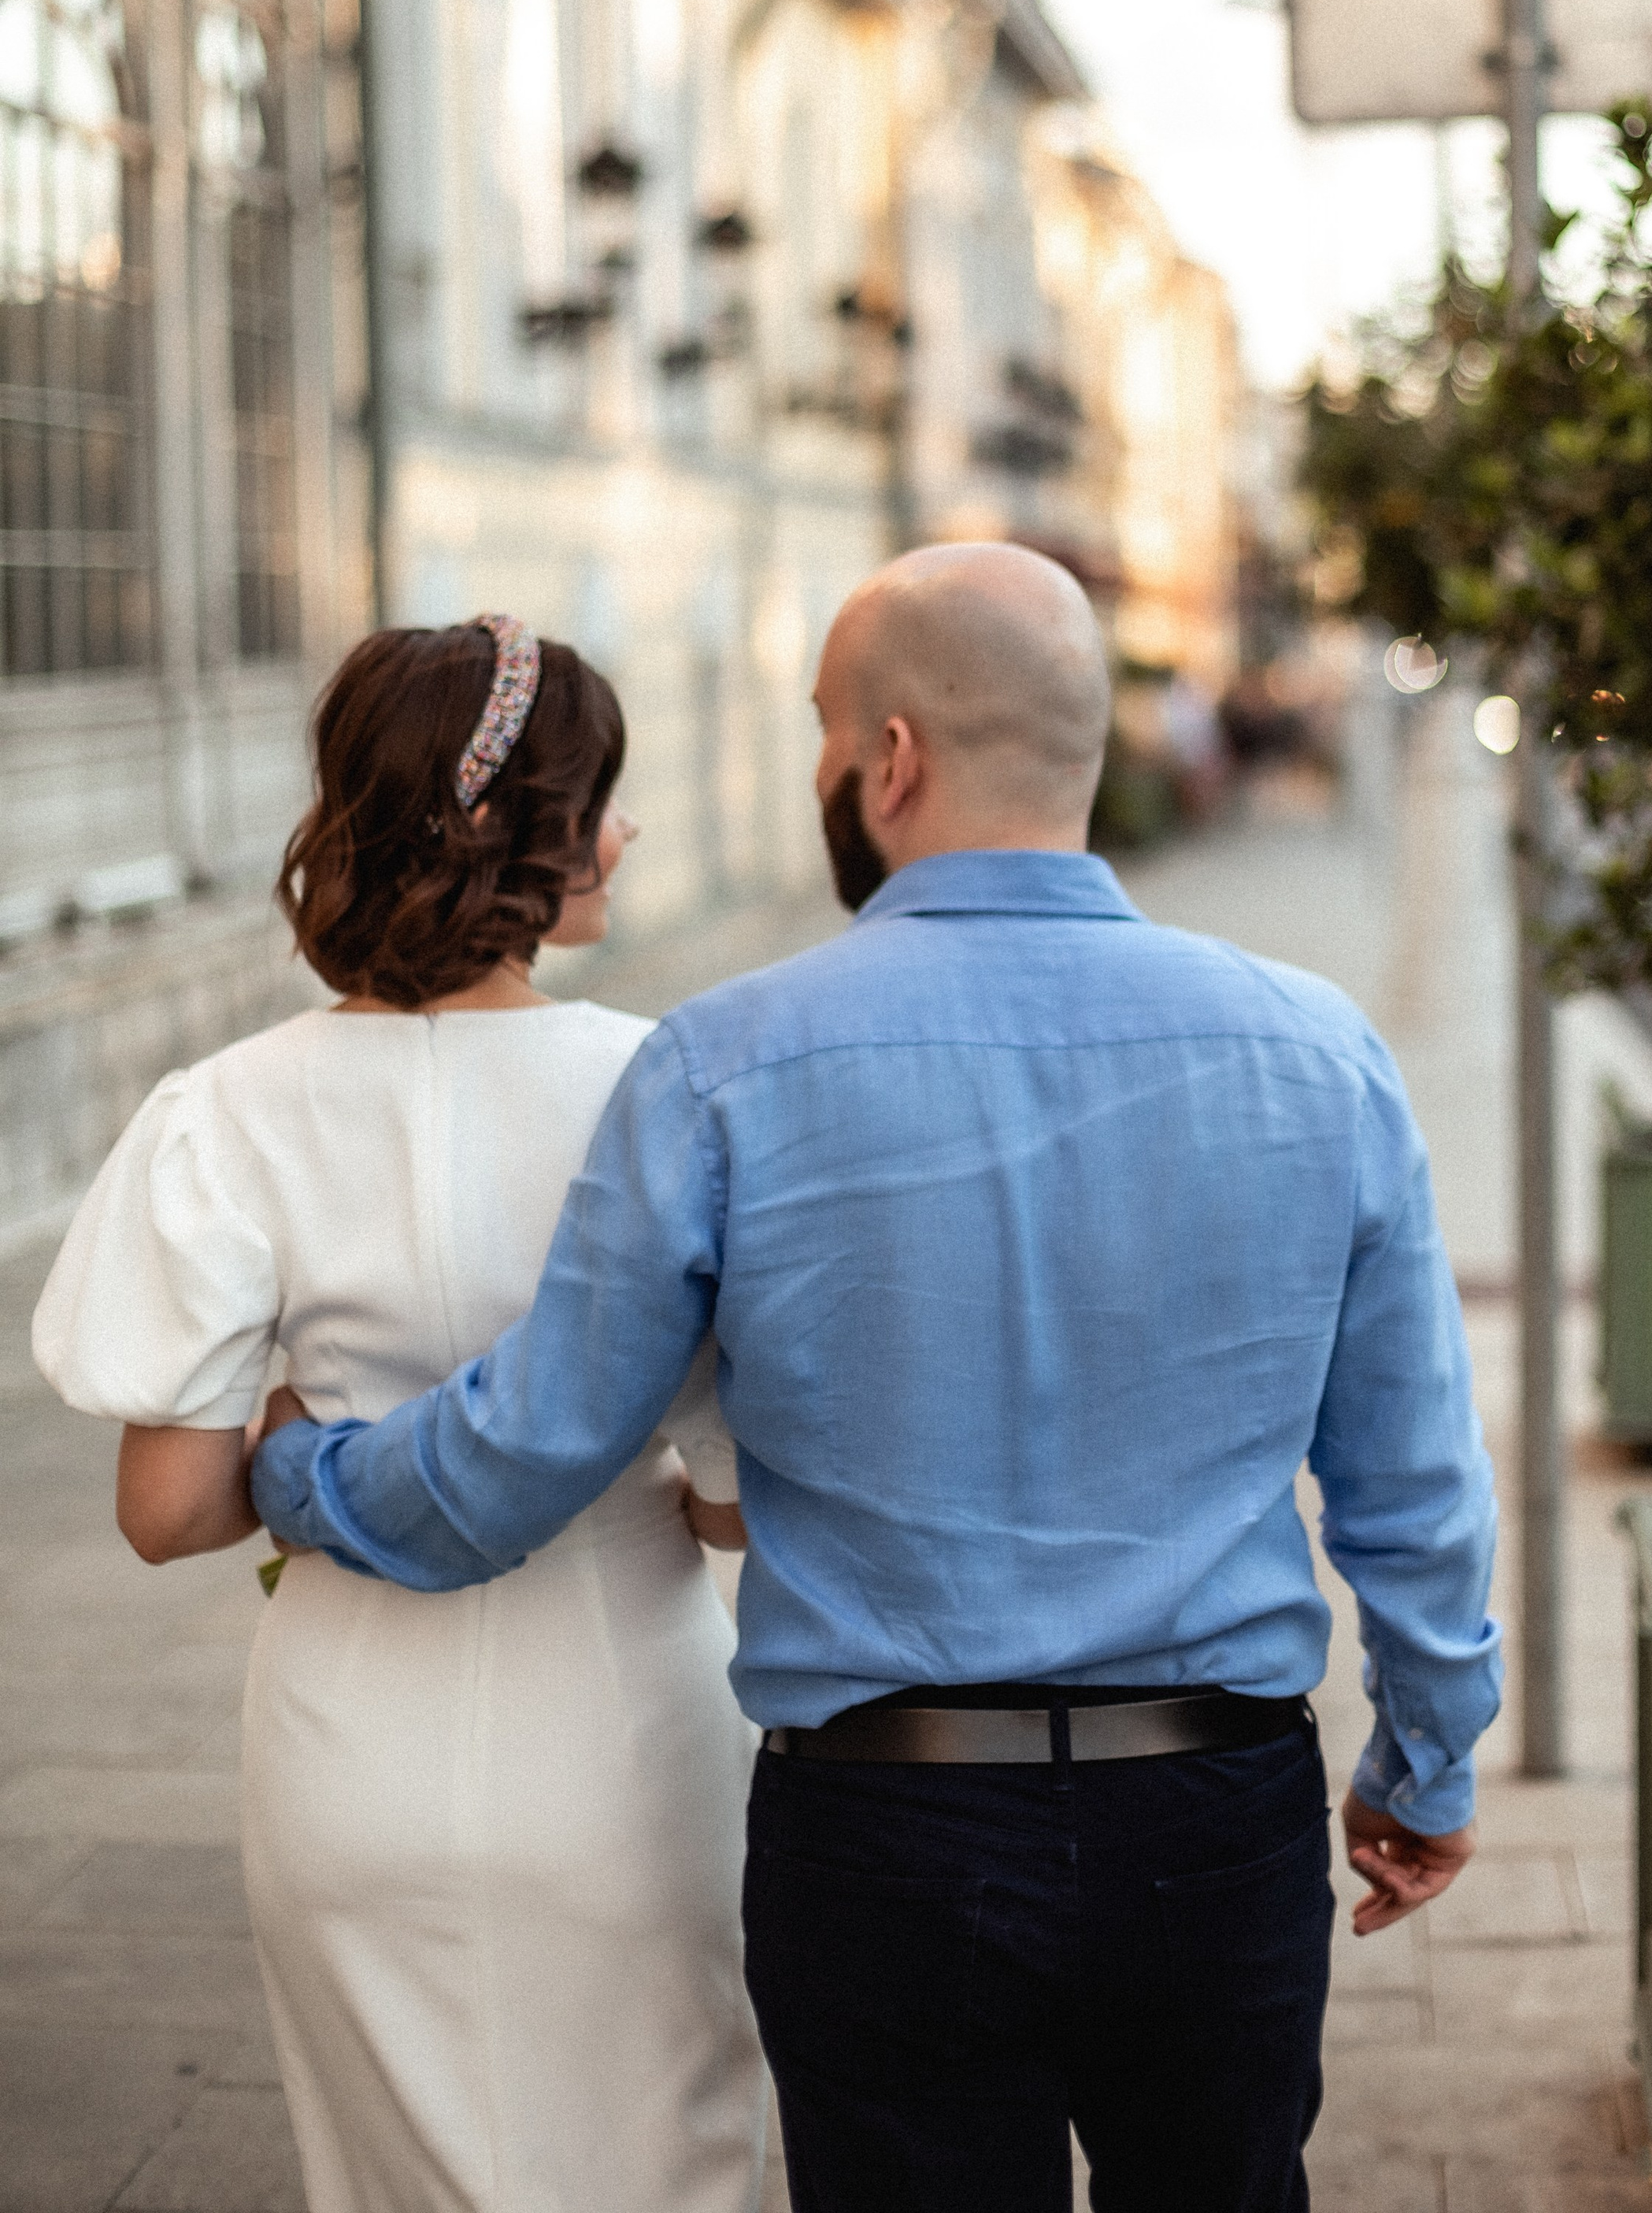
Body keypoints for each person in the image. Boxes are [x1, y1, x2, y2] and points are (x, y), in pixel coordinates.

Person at [253, 545, 1502, 2213]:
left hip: (884, 1840)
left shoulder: (720, 1064)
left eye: (829, 736)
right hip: (1214, 1823)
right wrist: (1423, 1763)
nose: (824, 774)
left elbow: (523, 1454)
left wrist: (289, 1472)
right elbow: (1413, 1488)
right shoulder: (1314, 1049)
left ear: (892, 761)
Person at [35, 618, 768, 2213]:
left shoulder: (221, 1112)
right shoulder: (665, 1089)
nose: (627, 831)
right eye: (605, 799)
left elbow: (164, 1512)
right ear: (535, 832)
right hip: (623, 1735)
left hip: (345, 1741)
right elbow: (733, 1509)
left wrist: (293, 1438)